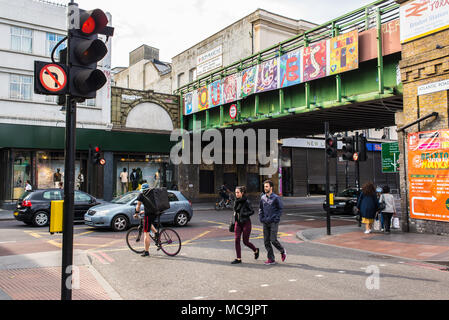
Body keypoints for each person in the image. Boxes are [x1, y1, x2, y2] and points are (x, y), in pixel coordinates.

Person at [259, 180, 286, 265]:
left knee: (273, 240)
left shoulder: (276, 198)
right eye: (264, 186)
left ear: (271, 187)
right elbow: (261, 209)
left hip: (273, 222)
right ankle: (271, 259)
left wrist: (276, 218)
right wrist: (261, 218)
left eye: (266, 186)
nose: (265, 188)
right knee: (266, 241)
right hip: (265, 222)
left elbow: (280, 209)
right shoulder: (262, 197)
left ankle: (282, 251)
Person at [231, 186, 259, 264]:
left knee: (245, 242)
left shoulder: (247, 201)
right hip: (238, 223)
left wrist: (243, 214)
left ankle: (256, 250)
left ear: (242, 193)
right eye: (235, 192)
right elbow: (235, 209)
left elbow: (252, 211)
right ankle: (238, 258)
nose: (236, 194)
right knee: (237, 240)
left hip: (246, 223)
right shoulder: (236, 201)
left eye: (238, 192)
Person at [134, 183, 159, 257]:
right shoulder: (153, 192)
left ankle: (146, 251)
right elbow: (152, 204)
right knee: (148, 223)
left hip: (149, 214)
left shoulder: (141, 194)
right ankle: (156, 233)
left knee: (146, 233)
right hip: (156, 212)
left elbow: (138, 205)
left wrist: (136, 213)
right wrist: (144, 211)